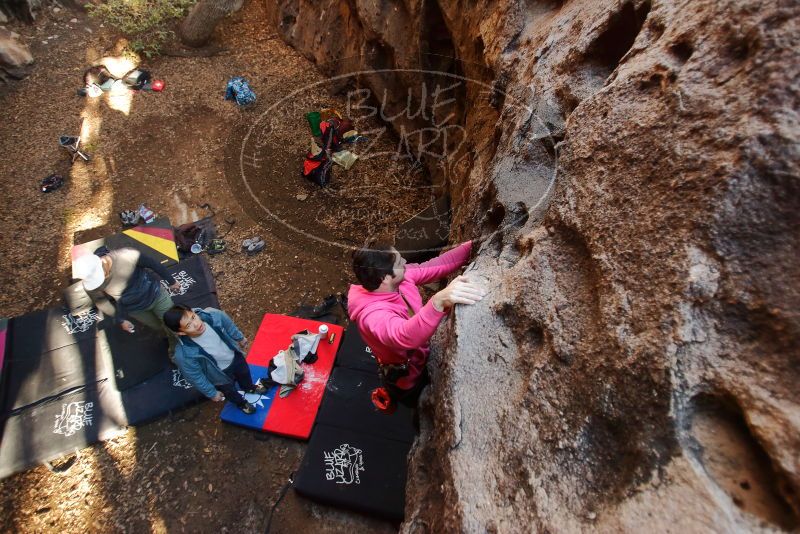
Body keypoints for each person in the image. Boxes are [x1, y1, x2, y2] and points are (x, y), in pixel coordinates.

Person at [347, 240, 485, 407]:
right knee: (417, 399)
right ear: (385, 278)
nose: (405, 262)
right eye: (399, 262)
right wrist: (437, 302)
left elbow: (437, 265)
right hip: (409, 377)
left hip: (421, 355)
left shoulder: (401, 279)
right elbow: (403, 335)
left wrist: (474, 244)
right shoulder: (372, 316)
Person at [164, 306, 267, 414]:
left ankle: (249, 387)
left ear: (194, 312)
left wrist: (239, 337)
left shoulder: (212, 316)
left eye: (193, 317)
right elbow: (195, 377)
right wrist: (212, 393)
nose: (196, 324)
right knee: (229, 391)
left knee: (244, 373)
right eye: (188, 325)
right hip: (218, 375)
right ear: (181, 333)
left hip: (235, 357)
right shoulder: (185, 354)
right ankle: (241, 403)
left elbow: (227, 323)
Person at [73, 247, 180, 343]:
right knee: (158, 326)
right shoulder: (90, 284)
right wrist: (120, 319)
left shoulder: (126, 256)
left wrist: (172, 281)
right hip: (135, 309)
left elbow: (153, 264)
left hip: (156, 295)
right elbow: (102, 303)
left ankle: (178, 347)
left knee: (173, 325)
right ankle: (167, 337)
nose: (100, 282)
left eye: (99, 277)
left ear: (102, 261)